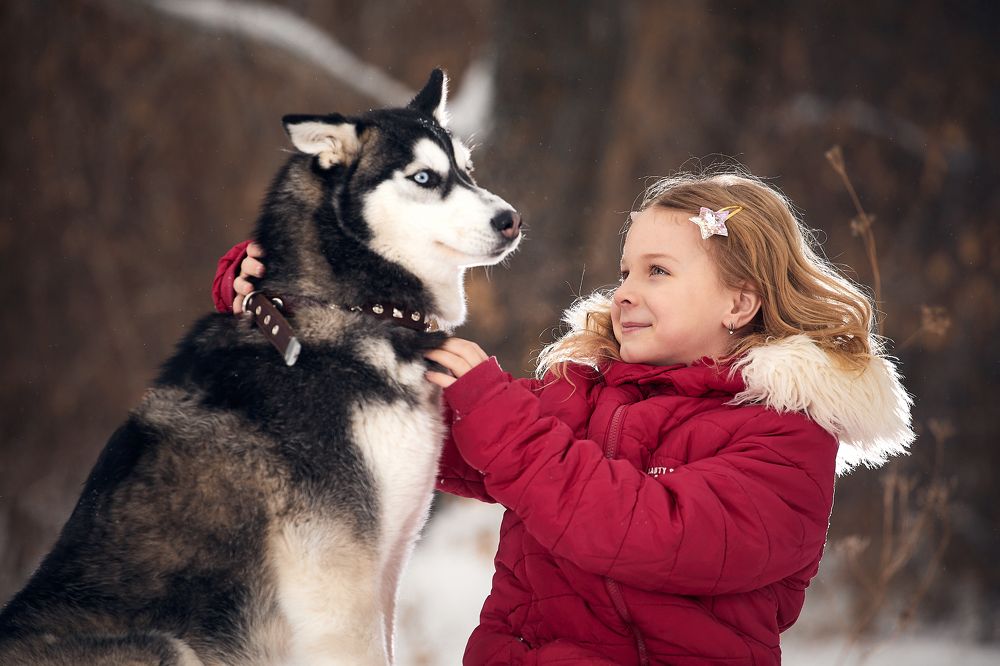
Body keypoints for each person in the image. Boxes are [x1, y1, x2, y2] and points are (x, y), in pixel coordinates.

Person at [212, 172, 913, 665]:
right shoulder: (589, 396)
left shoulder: (786, 437)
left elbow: (645, 530)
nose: (625, 293)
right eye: (626, 270)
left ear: (739, 303)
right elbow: (432, 438)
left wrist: (501, 414)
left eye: (658, 272)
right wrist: (293, 310)